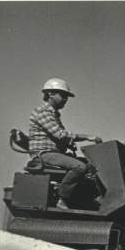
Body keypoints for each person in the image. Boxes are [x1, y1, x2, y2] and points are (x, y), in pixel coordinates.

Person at [28, 78, 103, 209]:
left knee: (90, 166)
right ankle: (62, 198)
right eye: (63, 95)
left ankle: (84, 199)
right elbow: (60, 134)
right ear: (50, 94)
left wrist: (69, 143)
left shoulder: (54, 115)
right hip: (44, 154)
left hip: (54, 153)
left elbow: (61, 137)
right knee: (79, 167)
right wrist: (87, 137)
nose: (65, 99)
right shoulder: (42, 112)